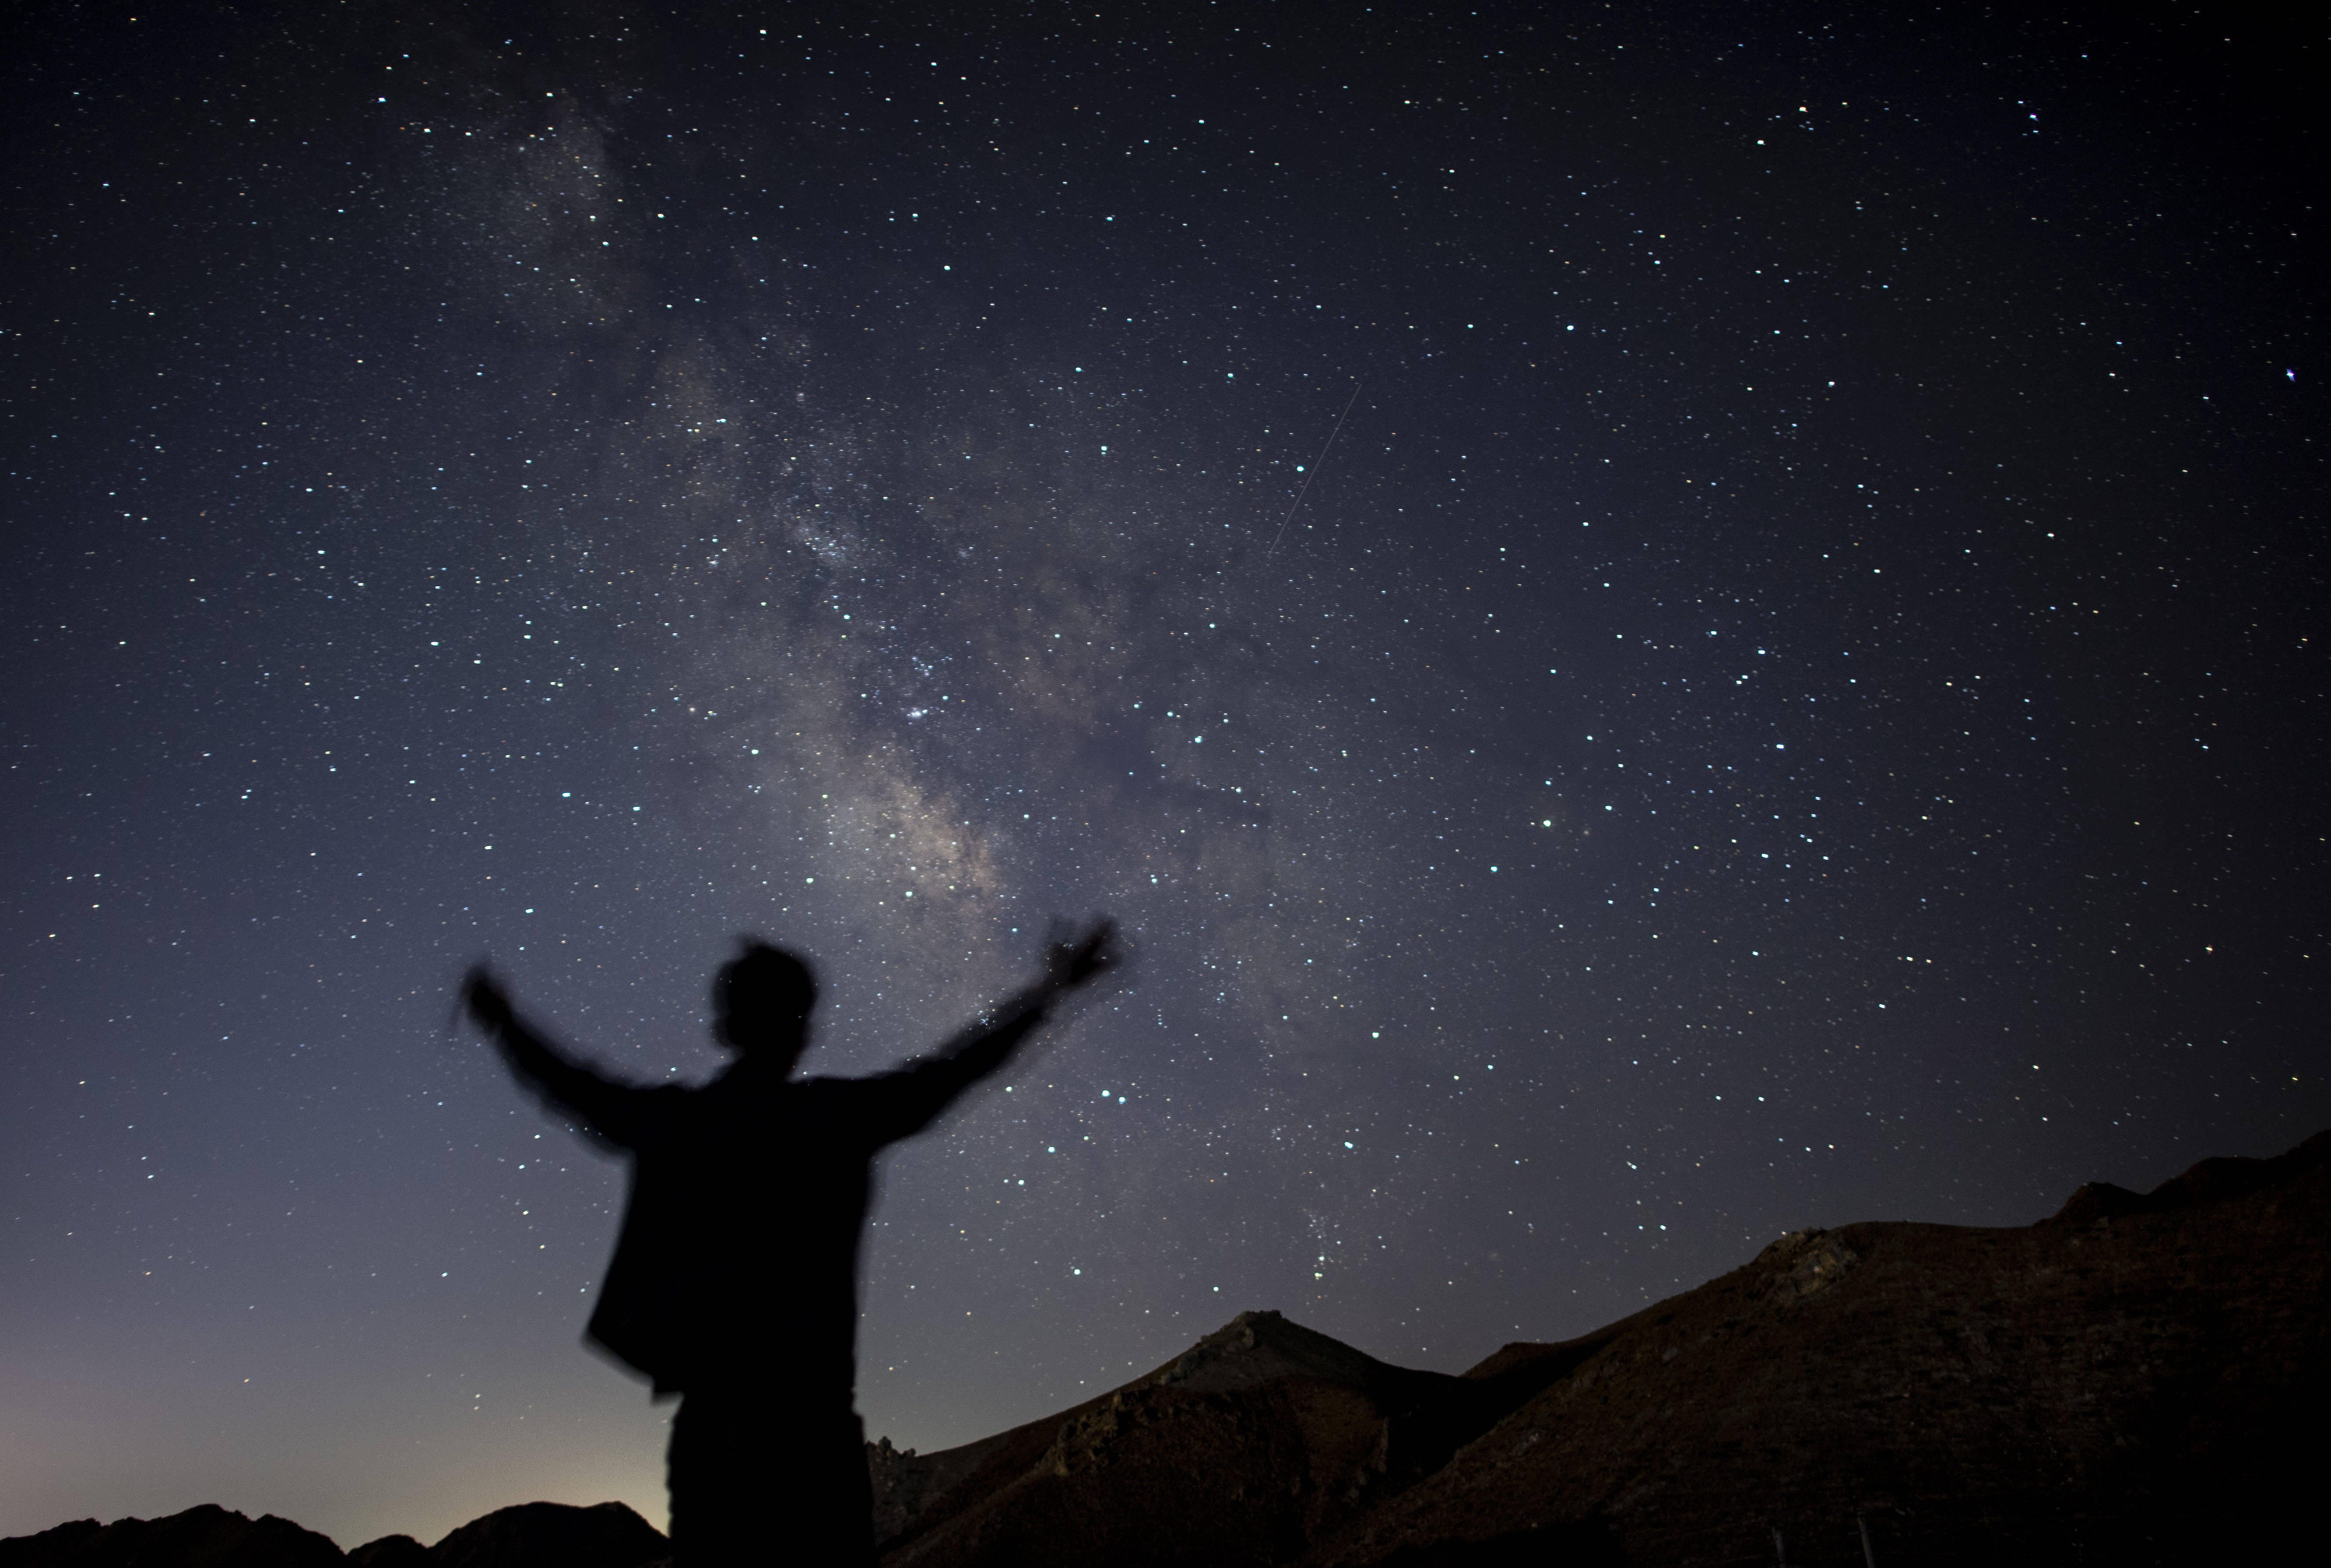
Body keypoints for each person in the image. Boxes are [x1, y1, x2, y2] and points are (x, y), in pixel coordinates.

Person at [461, 918, 1122, 1568]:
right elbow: (952, 1072)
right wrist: (1050, 991)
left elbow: (579, 1089)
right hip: (812, 1438)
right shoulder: (833, 1118)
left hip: (711, 1437)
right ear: (803, 1028)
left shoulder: (677, 1123)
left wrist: (504, 1023)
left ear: (724, 1026)